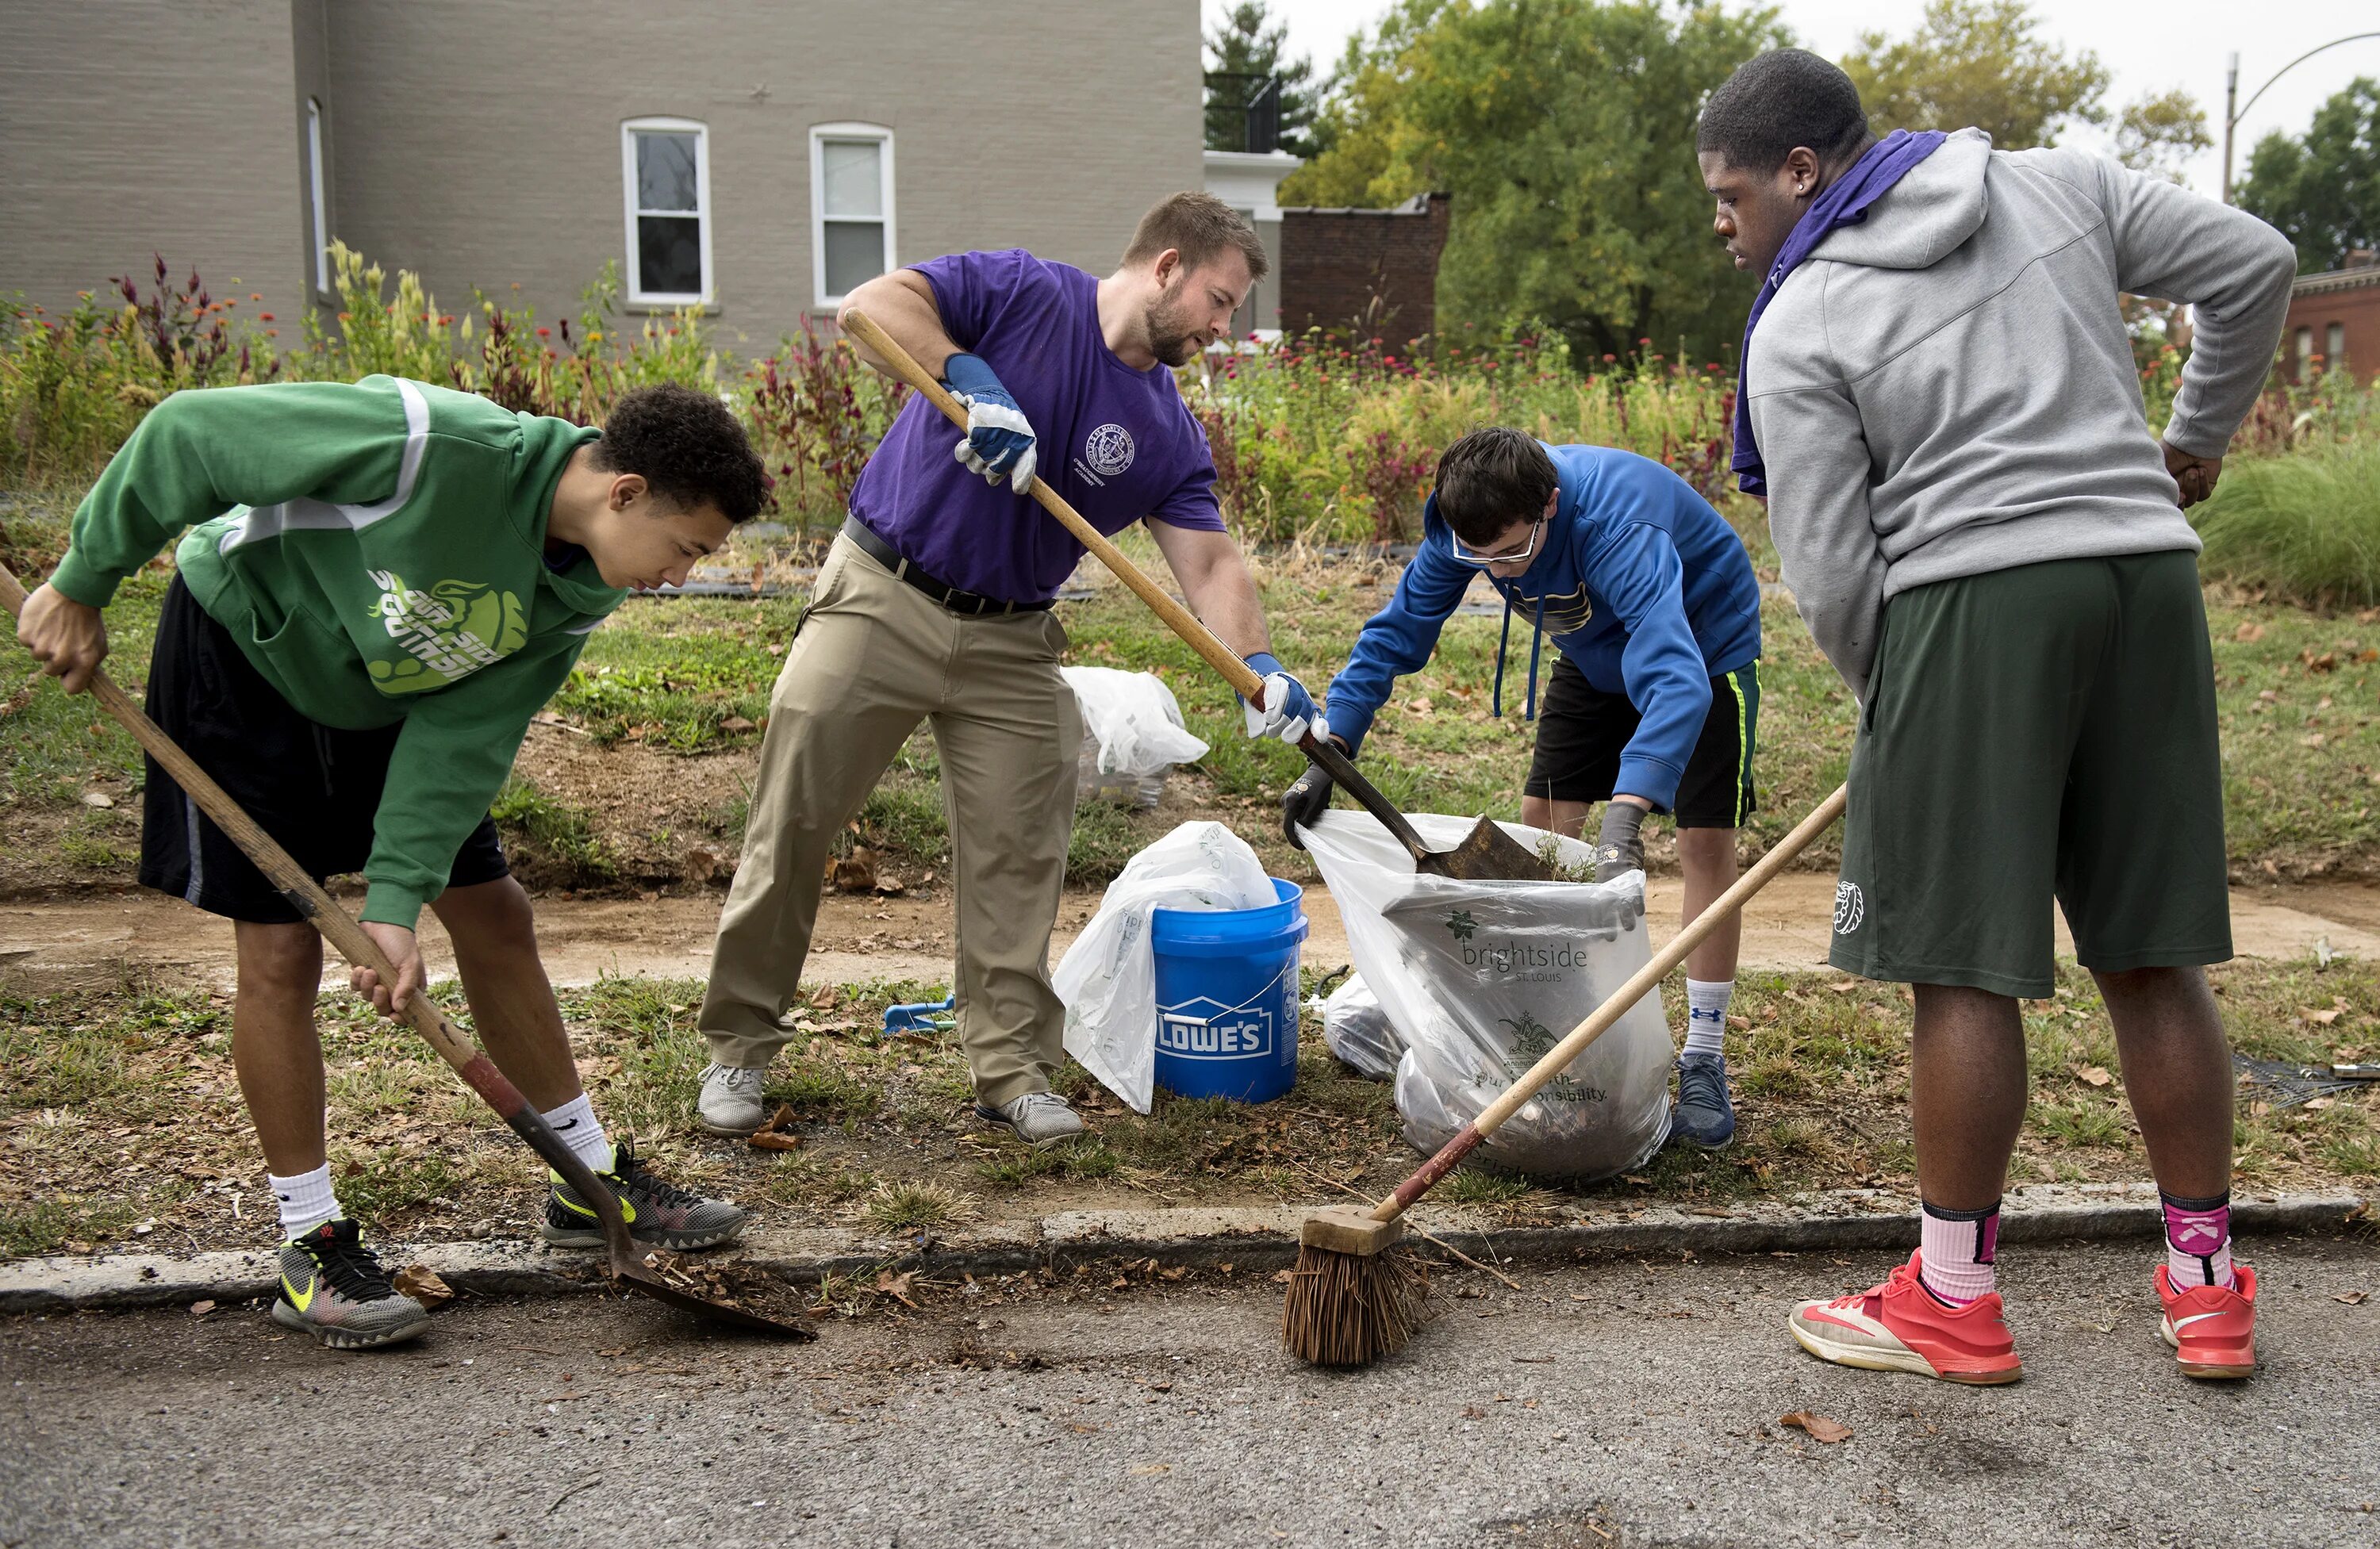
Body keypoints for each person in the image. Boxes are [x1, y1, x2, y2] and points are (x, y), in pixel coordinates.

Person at [1696, 48, 2295, 1382]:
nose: (1723, 229)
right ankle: (2207, 1288)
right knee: (2151, 952)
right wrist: (2192, 442)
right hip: (2148, 582)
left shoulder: (1799, 322)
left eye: (1730, 199)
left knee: (1961, 963)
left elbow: (1834, 568)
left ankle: (1953, 1298)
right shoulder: (2060, 183)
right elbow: (2256, 262)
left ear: (1801, 173)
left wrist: (1897, 710)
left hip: (1972, 598)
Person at [15, 378, 769, 1348]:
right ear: (624, 492)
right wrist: (82, 581)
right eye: (687, 550)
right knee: (282, 955)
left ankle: (586, 1181)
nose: (680, 576)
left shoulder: (581, 582)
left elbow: (465, 735)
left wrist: (398, 901)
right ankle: (310, 1238)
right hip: (247, 661)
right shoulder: (423, 446)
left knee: (494, 913)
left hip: (391, 695)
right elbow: (188, 435)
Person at [695, 192, 1325, 1147]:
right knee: (794, 823)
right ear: (1165, 267)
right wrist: (971, 377)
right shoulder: (1021, 291)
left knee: (1020, 856)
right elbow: (872, 303)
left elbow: (1210, 561)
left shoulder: (1165, 429)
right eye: (1220, 300)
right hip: (882, 595)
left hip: (1012, 641)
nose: (1224, 328)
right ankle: (739, 1045)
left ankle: (1009, 1069)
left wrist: (1261, 664)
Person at [1284, 427, 1764, 1146]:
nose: (1497, 573)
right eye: (1480, 558)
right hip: (1591, 646)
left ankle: (1704, 1054)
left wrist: (1629, 814)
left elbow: (1675, 677)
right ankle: (1544, 1024)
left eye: (1511, 552)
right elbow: (1397, 633)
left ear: (1551, 504)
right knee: (1541, 821)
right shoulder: (1467, 527)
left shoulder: (1616, 527)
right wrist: (1333, 745)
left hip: (1701, 644)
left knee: (1702, 843)